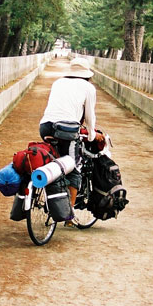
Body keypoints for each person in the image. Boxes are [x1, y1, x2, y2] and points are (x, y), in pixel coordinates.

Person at [39, 56, 100, 226]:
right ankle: (68, 215)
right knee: (74, 167)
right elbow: (89, 116)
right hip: (66, 130)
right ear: (87, 74)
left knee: (53, 160)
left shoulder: (58, 82)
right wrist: (91, 135)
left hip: (45, 127)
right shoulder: (88, 87)